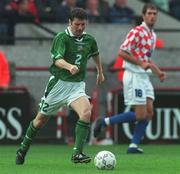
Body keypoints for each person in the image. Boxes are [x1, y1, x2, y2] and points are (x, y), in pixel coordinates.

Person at [16, 7, 105, 165]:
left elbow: (95, 53)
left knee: (86, 112)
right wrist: (69, 66)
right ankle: (23, 149)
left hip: (76, 86)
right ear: (69, 22)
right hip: (58, 85)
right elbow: (57, 60)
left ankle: (77, 153)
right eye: (77, 24)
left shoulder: (89, 39)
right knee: (40, 120)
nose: (80, 28)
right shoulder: (61, 37)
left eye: (83, 24)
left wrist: (100, 71)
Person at [94, 3, 166, 153]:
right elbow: (122, 52)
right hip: (134, 75)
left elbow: (145, 58)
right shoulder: (137, 31)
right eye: (150, 13)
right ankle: (104, 121)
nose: (152, 16)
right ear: (144, 15)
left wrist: (157, 71)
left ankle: (133, 146)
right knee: (140, 115)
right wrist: (140, 63)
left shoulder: (152, 35)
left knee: (149, 112)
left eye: (154, 14)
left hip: (144, 77)